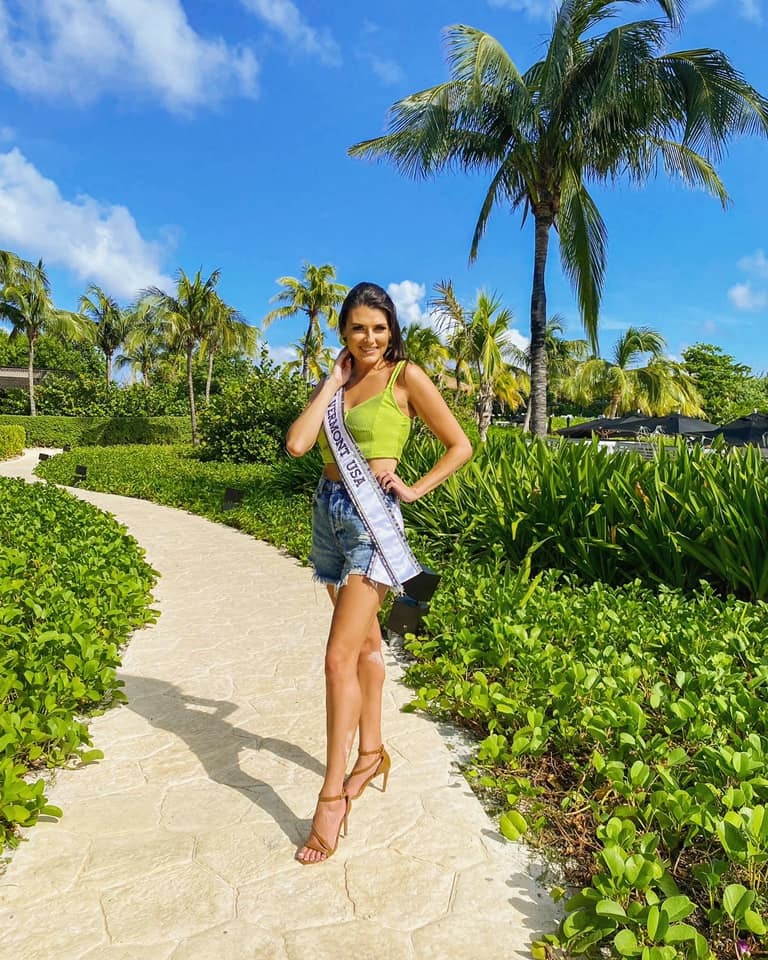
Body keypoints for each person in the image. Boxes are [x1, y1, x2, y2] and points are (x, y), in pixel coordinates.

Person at [285, 281, 473, 865]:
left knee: (337, 657)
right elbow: (298, 445)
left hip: (373, 523)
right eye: (359, 328)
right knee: (366, 645)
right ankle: (371, 753)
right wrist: (329, 384)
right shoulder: (339, 384)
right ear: (344, 332)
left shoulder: (405, 376)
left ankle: (333, 793)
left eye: (380, 328)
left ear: (392, 331)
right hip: (329, 514)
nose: (370, 338)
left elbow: (459, 445)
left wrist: (415, 488)